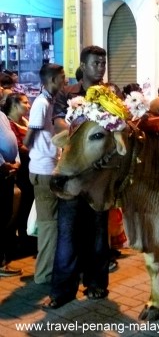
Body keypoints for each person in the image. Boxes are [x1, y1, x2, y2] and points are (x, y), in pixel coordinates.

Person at [47, 46, 111, 308]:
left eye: (103, 63)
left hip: (100, 176)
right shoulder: (68, 93)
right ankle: (62, 291)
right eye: (96, 62)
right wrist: (81, 125)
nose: (101, 67)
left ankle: (96, 283)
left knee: (98, 232)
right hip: (73, 172)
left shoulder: (111, 94)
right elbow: (58, 122)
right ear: (82, 66)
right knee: (67, 233)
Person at [24, 64, 66, 285]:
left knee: (52, 224)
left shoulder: (49, 101)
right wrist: (38, 150)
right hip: (43, 171)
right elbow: (30, 135)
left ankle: (48, 272)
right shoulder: (40, 104)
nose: (65, 81)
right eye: (62, 77)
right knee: (49, 225)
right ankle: (44, 276)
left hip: (48, 168)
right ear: (52, 79)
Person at [3, 93, 35, 252]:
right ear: (14, 105)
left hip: (30, 168)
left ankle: (28, 237)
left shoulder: (25, 122)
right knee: (19, 207)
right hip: (19, 172)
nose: (28, 105)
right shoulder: (8, 123)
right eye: (25, 102)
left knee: (29, 204)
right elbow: (18, 146)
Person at [0, 90, 21, 277]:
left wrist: (16, 161)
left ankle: (3, 261)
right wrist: (2, 163)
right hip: (2, 170)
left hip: (8, 171)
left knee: (6, 215)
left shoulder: (2, 116)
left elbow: (11, 141)